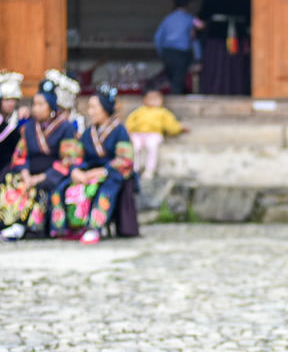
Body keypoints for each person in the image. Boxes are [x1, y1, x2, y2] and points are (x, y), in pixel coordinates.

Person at [50, 85, 134, 245]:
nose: (90, 112)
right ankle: (63, 227)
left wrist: (101, 172)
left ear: (105, 109)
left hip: (111, 173)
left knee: (106, 190)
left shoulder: (119, 131)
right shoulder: (89, 132)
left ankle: (93, 228)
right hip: (88, 171)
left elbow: (125, 160)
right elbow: (76, 155)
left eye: (94, 107)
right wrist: (75, 170)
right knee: (61, 188)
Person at [0, 80, 79, 241]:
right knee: (11, 180)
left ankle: (29, 226)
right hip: (30, 172)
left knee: (41, 187)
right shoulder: (29, 127)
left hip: (51, 173)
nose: (35, 108)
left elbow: (68, 159)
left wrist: (41, 177)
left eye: (41, 105)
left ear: (51, 107)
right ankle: (9, 223)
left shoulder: (65, 127)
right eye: (34, 104)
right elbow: (21, 154)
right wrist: (26, 174)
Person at [126, 86, 190, 179]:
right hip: (139, 134)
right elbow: (130, 121)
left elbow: (171, 125)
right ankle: (134, 168)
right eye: (151, 98)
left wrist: (180, 127)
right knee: (134, 145)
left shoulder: (163, 113)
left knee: (152, 145)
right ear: (144, 100)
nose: (154, 101)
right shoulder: (139, 111)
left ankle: (149, 169)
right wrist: (128, 129)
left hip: (153, 134)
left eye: (157, 98)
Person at [155, 0, 202, 94]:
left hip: (167, 52)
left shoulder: (168, 18)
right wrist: (198, 58)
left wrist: (161, 52)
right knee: (178, 82)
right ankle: (175, 103)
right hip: (181, 54)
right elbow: (194, 39)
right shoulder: (191, 19)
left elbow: (157, 37)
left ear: (174, 2)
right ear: (190, 3)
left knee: (171, 79)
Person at [0, 71, 29, 174]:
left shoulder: (21, 119)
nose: (10, 103)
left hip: (12, 165)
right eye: (6, 99)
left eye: (13, 99)